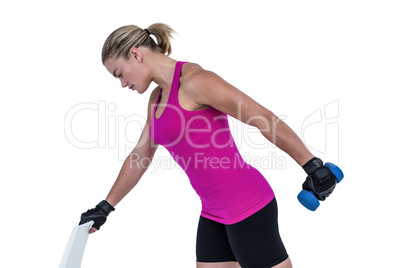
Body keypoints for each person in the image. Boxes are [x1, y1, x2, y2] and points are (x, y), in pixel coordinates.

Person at [79, 23, 338, 268]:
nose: (123, 84)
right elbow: (141, 154)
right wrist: (106, 206)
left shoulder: (196, 81)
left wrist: (312, 166)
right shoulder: (156, 99)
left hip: (248, 205)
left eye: (119, 74)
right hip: (213, 213)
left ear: (135, 55)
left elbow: (264, 119)